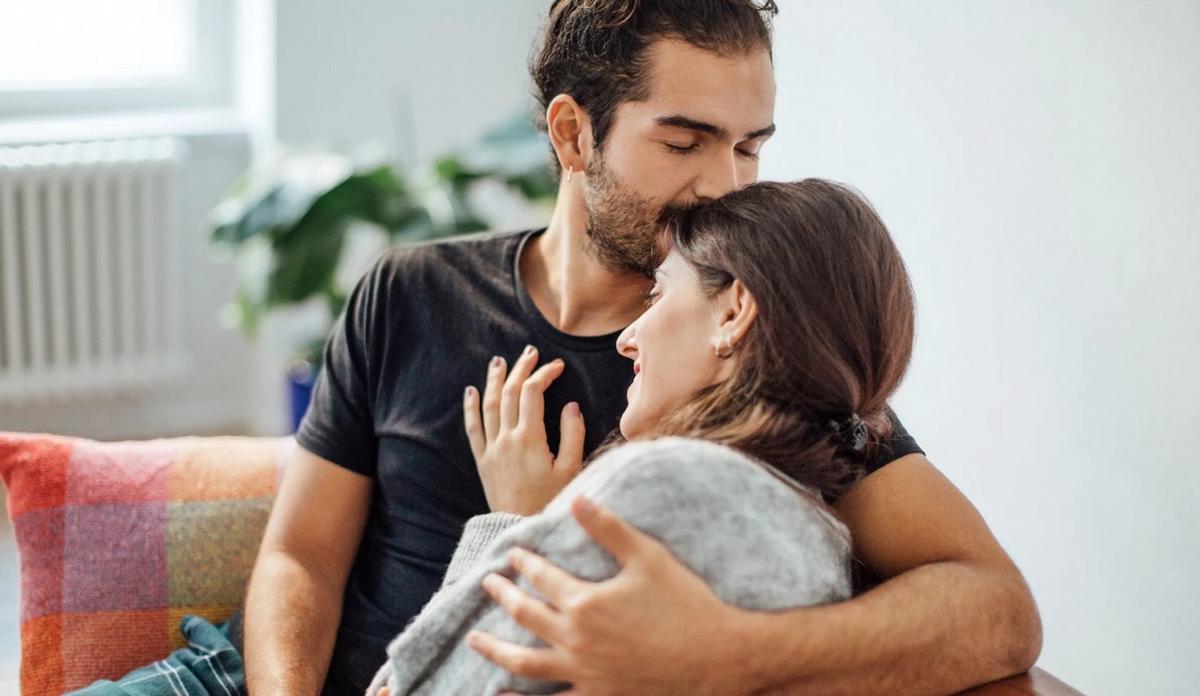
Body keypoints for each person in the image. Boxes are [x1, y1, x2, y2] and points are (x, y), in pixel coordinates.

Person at [73, 2, 1040, 694]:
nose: (725, 184)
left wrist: (728, 656)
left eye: (748, 146)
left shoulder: (761, 352)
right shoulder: (409, 292)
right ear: (575, 134)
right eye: (685, 141)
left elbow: (996, 609)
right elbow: (299, 558)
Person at [365, 178, 920, 695]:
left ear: (733, 312)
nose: (628, 338)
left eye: (656, 295)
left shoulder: (657, 481)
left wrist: (516, 526)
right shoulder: (821, 539)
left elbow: (406, 687)